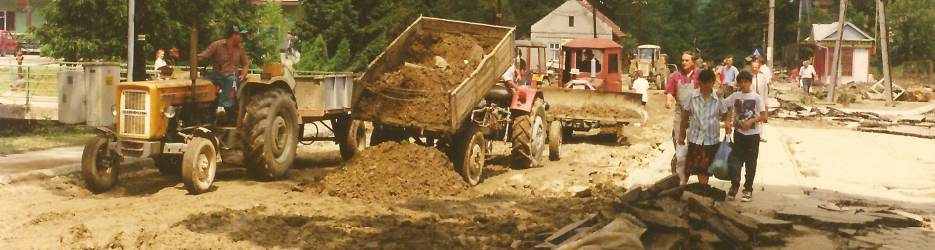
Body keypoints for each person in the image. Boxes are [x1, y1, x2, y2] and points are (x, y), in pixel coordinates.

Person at [678, 69, 732, 186]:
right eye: (703, 83)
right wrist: (681, 135)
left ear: (713, 82)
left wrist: (727, 123)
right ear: (699, 82)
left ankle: (702, 191)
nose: (706, 86)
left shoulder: (718, 98)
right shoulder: (692, 97)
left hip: (711, 140)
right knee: (689, 168)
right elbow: (684, 117)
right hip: (694, 138)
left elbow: (726, 112)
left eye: (709, 83)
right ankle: (681, 188)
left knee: (704, 170)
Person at [724, 71, 766, 202]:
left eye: (745, 81)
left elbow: (764, 116)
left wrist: (751, 121)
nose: (743, 84)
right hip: (739, 134)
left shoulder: (757, 97)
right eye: (740, 82)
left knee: (751, 163)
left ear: (750, 82)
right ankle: (734, 186)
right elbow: (725, 106)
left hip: (753, 136)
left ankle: (748, 189)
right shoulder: (735, 96)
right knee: (736, 161)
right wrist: (727, 121)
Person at [198, 25, 250, 117]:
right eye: (241, 36)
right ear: (234, 35)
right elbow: (204, 55)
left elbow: (246, 64)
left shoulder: (240, 49)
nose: (242, 38)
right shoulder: (217, 45)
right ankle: (199, 108)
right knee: (200, 81)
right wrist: (196, 58)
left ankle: (222, 107)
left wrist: (243, 74)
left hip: (231, 76)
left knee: (232, 80)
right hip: (217, 74)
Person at [665, 51, 700, 174]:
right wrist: (669, 100)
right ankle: (679, 159)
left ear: (693, 62)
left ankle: (692, 161)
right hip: (680, 110)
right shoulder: (675, 76)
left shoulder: (699, 75)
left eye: (687, 60)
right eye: (683, 60)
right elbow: (670, 91)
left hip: (696, 112)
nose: (684, 62)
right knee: (678, 135)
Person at [751, 58, 770, 142]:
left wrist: (766, 102)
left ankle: (760, 135)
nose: (754, 69)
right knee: (752, 117)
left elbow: (765, 90)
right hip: (751, 101)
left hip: (761, 100)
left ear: (759, 68)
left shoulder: (763, 77)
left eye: (756, 67)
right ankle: (753, 134)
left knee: (761, 118)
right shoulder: (749, 77)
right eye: (753, 67)